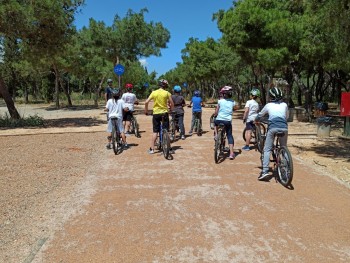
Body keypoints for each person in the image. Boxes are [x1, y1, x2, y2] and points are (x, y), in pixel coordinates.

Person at [255, 86, 289, 181]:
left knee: (267, 149)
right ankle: (286, 166)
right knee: (284, 146)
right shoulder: (284, 105)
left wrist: (256, 120)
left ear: (271, 97)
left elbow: (260, 115)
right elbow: (286, 116)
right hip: (284, 127)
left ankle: (265, 172)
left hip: (273, 127)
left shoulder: (268, 105)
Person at [144, 79, 174, 154]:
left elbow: (146, 102)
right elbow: (172, 103)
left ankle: (152, 149)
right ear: (166, 86)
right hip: (164, 113)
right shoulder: (167, 93)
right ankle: (169, 148)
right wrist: (171, 110)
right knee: (166, 130)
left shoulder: (154, 92)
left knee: (155, 131)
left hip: (156, 114)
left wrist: (146, 111)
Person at [213, 86, 239, 160]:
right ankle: (231, 153)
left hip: (219, 120)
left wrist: (215, 114)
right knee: (229, 135)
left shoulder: (220, 101)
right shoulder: (233, 102)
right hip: (227, 121)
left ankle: (216, 134)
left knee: (215, 123)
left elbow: (216, 111)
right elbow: (236, 108)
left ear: (223, 94)